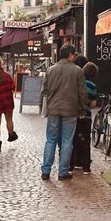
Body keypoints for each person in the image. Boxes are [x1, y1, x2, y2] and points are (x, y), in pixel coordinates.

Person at [40, 43, 89, 181]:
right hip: (71, 110)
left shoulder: (51, 69)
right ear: (71, 55)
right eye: (74, 54)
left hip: (53, 109)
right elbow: (82, 93)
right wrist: (83, 108)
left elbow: (44, 90)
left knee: (51, 140)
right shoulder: (77, 70)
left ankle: (45, 171)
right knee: (67, 141)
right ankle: (63, 172)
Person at [70, 62, 98, 175]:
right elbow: (93, 104)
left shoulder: (75, 83)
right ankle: (86, 167)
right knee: (86, 140)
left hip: (74, 115)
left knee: (73, 139)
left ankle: (73, 164)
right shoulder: (92, 85)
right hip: (86, 116)